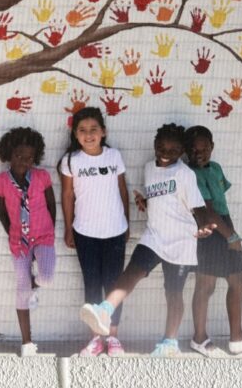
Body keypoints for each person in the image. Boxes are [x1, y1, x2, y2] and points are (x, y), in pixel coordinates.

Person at [79, 123, 215, 357]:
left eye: (173, 151)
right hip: (154, 235)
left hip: (180, 241)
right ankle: (104, 311)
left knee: (173, 292)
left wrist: (203, 225)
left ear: (181, 151)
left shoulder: (184, 174)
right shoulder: (149, 168)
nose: (165, 154)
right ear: (154, 145)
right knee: (130, 274)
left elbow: (198, 208)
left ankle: (169, 342)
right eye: (161, 147)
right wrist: (145, 202)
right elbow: (161, 198)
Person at [186, 125, 242, 357]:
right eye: (194, 150)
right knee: (206, 286)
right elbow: (208, 212)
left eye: (205, 148)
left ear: (212, 147)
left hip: (225, 224)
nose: (200, 154)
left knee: (238, 280)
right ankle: (199, 339)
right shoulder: (191, 174)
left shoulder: (216, 168)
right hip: (209, 230)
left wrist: (231, 231)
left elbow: (221, 202)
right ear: (187, 151)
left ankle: (237, 338)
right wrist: (230, 236)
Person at [59, 107, 129, 357]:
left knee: (113, 285)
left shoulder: (114, 156)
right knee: (92, 284)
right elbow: (67, 195)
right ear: (75, 135)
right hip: (85, 232)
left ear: (103, 132)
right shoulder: (71, 161)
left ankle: (113, 338)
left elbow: (122, 190)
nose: (89, 135)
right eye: (83, 130)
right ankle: (96, 339)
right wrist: (68, 228)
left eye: (93, 130)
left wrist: (127, 222)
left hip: (115, 230)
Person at [0, 127, 56, 357]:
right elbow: (2, 211)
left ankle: (34, 286)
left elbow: (51, 204)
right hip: (19, 241)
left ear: (35, 157)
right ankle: (27, 342)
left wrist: (50, 230)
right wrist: (12, 233)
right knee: (21, 288)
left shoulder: (42, 177)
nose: (24, 161)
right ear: (9, 153)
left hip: (43, 236)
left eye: (29, 157)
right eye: (19, 155)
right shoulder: (0, 181)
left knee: (47, 277)